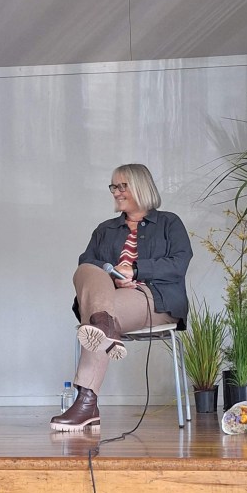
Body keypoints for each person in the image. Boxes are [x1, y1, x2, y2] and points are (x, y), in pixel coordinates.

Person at [51, 163, 193, 432]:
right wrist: (112, 275)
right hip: (112, 298)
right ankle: (105, 327)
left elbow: (179, 263)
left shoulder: (169, 223)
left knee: (96, 318)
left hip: (154, 299)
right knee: (87, 270)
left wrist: (136, 269)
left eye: (121, 186)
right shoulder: (105, 229)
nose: (115, 192)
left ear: (141, 186)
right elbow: (88, 266)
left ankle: (86, 404)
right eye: (113, 186)